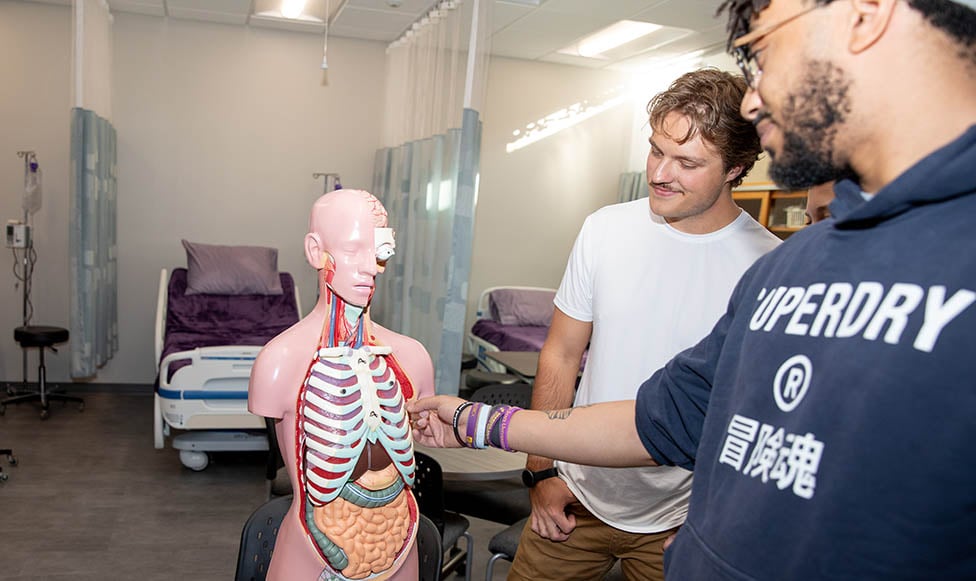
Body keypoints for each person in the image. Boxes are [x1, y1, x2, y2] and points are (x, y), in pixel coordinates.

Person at [410, 0, 976, 578]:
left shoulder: (783, 258)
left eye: (764, 54)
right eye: (656, 150)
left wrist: (696, 517)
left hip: (674, 521)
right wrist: (498, 438)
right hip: (596, 501)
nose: (755, 99)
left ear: (866, 14)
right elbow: (662, 415)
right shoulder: (795, 269)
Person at [512, 68, 780, 581]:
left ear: (735, 168)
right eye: (656, 150)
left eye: (687, 162)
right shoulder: (605, 229)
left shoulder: (768, 265)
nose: (660, 172)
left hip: (682, 518)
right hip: (573, 497)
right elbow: (562, 355)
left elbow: (752, 409)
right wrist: (541, 472)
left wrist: (714, 517)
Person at [249, 189, 434, 581]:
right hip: (310, 551)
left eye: (378, 251)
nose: (371, 267)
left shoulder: (412, 357)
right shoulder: (279, 361)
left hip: (399, 547)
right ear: (317, 252)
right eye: (352, 250)